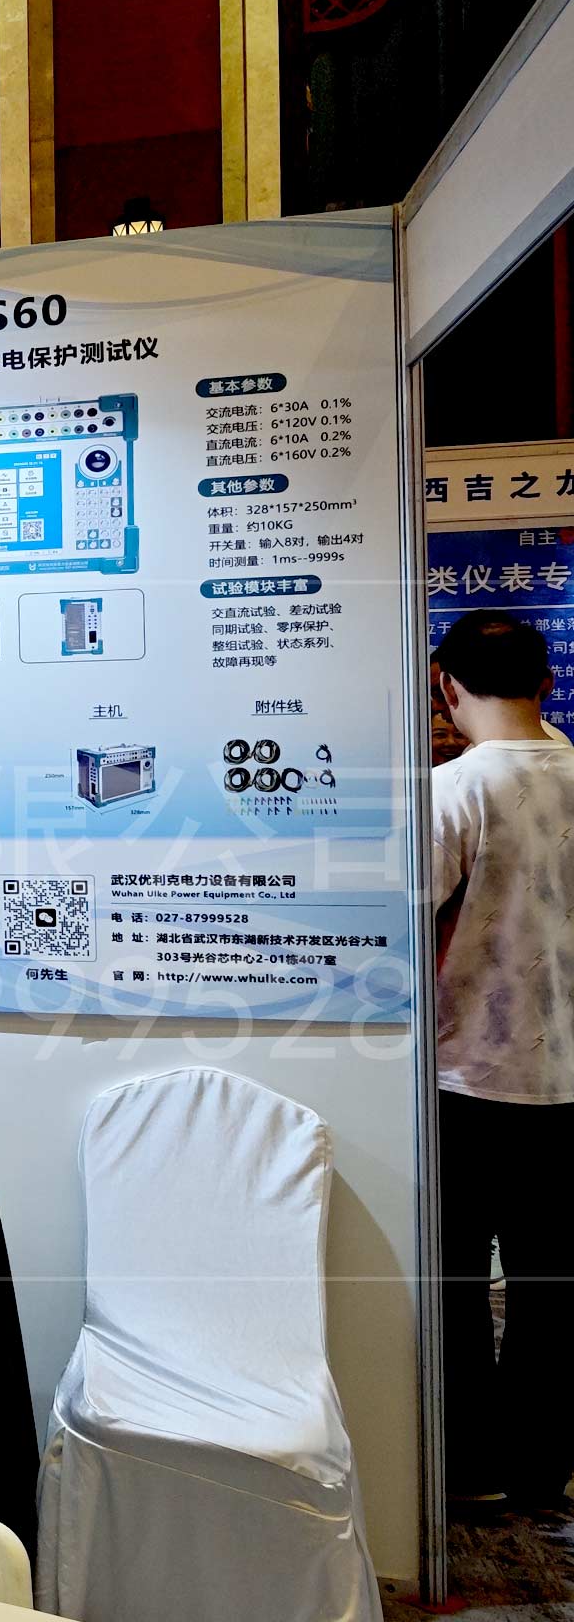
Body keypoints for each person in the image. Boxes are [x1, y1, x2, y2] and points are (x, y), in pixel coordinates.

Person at [429, 609, 574, 1508]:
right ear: (547, 683)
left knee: (451, 1276)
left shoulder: (454, 789)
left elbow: (406, 925)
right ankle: (541, 1465)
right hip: (567, 1081)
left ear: (445, 687)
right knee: (554, 1282)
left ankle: (471, 1464)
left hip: (468, 1075)